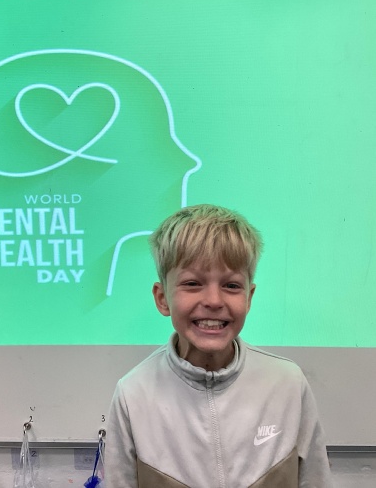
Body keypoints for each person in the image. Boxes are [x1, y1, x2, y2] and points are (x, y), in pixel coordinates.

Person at [105, 204, 332, 487]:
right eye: (192, 283)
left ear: (249, 298)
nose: (214, 300)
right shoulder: (132, 394)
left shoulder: (288, 384)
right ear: (162, 298)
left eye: (231, 286)